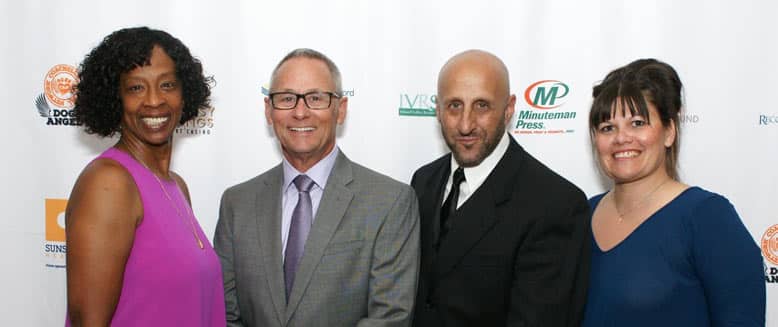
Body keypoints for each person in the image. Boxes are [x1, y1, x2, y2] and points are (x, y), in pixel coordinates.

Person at [214, 48, 420, 327]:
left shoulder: (389, 201)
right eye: (286, 99)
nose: (300, 112)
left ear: (341, 110)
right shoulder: (237, 204)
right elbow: (226, 315)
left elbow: (389, 318)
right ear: (268, 110)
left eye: (315, 98)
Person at [411, 49, 590, 326]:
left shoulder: (556, 204)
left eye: (482, 105)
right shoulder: (423, 181)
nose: (466, 124)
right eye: (454, 105)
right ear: (438, 109)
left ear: (508, 109)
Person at [582, 58, 765, 326]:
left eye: (637, 123)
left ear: (669, 131)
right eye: (608, 128)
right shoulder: (581, 214)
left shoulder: (707, 218)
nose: (621, 138)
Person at [65, 27, 225, 326]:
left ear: (184, 92)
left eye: (167, 85)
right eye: (136, 88)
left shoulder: (176, 186)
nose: (154, 101)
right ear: (114, 98)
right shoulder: (109, 183)